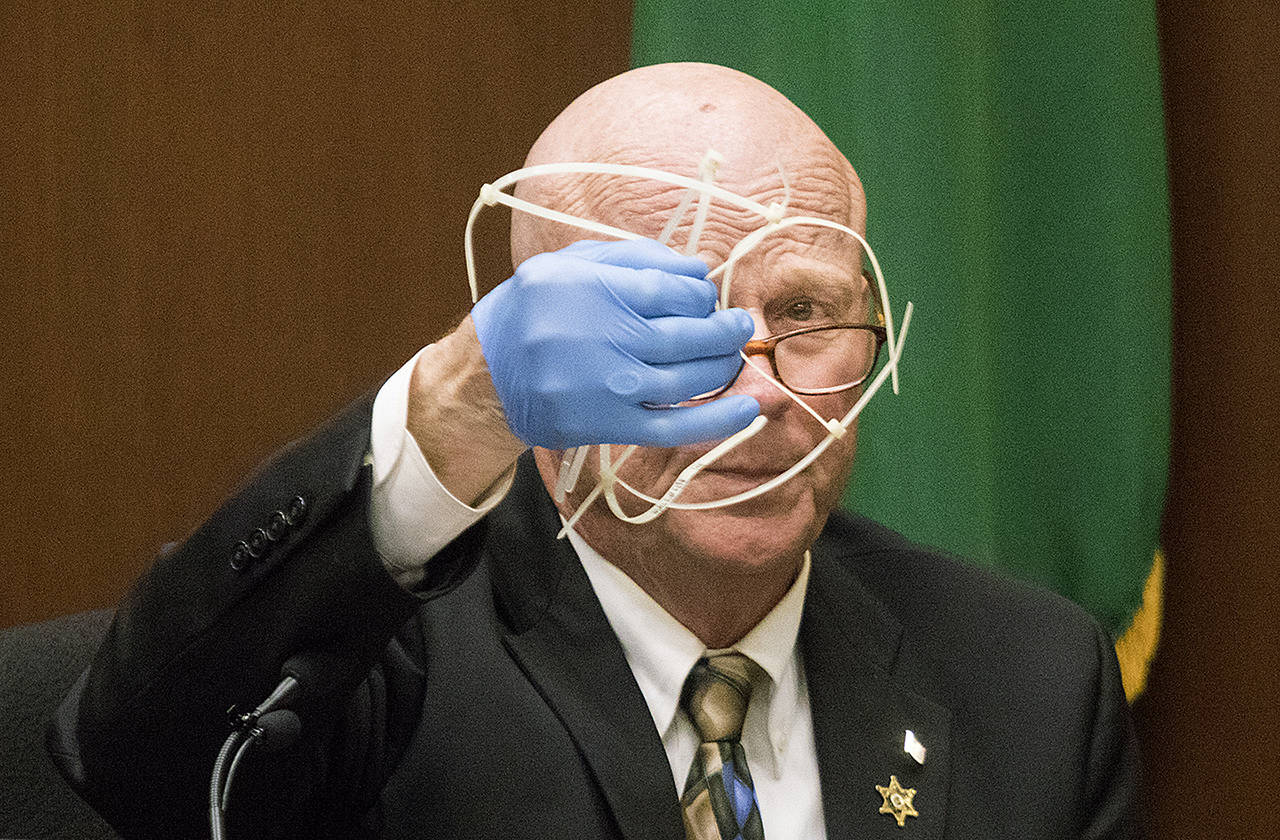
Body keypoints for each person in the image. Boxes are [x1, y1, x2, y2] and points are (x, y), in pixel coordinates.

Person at [48, 63, 1139, 839]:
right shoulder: (380, 667)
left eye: (804, 310)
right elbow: (137, 757)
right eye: (666, 321)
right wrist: (456, 406)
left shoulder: (1029, 680)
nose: (756, 391)